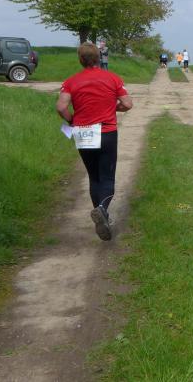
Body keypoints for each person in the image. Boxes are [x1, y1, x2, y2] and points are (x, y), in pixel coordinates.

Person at [56, 42, 133, 241]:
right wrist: (112, 107)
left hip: (83, 132)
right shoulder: (113, 78)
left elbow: (61, 107)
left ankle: (100, 213)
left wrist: (72, 120)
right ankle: (102, 210)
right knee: (107, 178)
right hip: (106, 132)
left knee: (94, 177)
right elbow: (127, 104)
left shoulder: (71, 81)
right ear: (98, 58)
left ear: (80, 59)